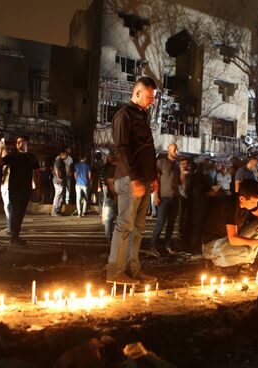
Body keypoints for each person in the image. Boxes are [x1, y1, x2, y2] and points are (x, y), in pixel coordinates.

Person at [107, 77, 159, 284]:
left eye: (153, 98)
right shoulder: (124, 115)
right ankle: (114, 271)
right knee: (124, 226)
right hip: (130, 180)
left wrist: (153, 178)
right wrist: (134, 178)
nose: (152, 101)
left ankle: (132, 269)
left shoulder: (141, 116)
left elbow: (147, 150)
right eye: (149, 97)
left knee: (137, 228)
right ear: (137, 93)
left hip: (144, 181)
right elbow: (122, 148)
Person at [202, 179, 258, 269]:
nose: (255, 205)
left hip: (227, 240)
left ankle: (245, 265)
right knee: (246, 252)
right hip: (212, 245)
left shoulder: (245, 203)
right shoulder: (230, 205)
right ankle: (215, 262)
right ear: (242, 199)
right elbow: (233, 239)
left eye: (257, 202)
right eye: (253, 202)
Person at [1, 135, 40, 245]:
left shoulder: (32, 157)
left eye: (21, 141)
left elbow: (37, 172)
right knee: (16, 211)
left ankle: (15, 235)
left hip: (26, 188)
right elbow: (0, 162)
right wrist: (1, 149)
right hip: (14, 188)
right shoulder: (13, 155)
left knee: (21, 212)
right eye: (17, 142)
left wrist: (37, 187)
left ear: (27, 143)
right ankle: (14, 236)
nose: (18, 144)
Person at [150, 143, 180, 255]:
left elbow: (179, 182)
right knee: (160, 222)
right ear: (168, 150)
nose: (176, 151)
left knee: (171, 223)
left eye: (176, 149)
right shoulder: (161, 163)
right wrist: (156, 195)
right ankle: (153, 245)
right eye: (174, 149)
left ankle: (167, 244)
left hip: (175, 197)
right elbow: (155, 180)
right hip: (164, 196)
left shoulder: (177, 165)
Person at [101, 153, 118, 240]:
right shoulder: (112, 168)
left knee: (110, 216)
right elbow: (110, 182)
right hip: (112, 194)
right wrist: (115, 194)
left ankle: (109, 236)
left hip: (109, 193)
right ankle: (109, 236)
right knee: (111, 216)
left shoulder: (106, 167)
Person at [52, 151, 68, 216]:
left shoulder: (60, 160)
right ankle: (55, 211)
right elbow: (56, 169)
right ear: (62, 154)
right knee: (58, 195)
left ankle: (58, 210)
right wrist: (59, 177)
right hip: (58, 181)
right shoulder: (58, 160)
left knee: (60, 196)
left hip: (60, 180)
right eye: (66, 154)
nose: (67, 156)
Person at [0, 163, 12, 234]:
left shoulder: (10, 165)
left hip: (8, 187)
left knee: (8, 206)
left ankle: (11, 227)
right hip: (3, 186)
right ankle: (9, 226)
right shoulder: (2, 165)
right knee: (6, 207)